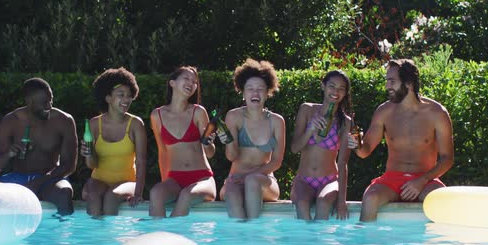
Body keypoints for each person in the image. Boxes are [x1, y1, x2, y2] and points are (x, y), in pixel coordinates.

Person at [352, 59, 454, 221]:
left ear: (409, 83)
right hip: (392, 179)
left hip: (425, 179)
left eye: (392, 81)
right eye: (387, 81)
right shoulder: (383, 111)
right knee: (370, 198)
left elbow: (447, 159)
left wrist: (422, 180)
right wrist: (355, 142)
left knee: (441, 203)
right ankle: (367, 243)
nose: (387, 87)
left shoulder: (437, 113)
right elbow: (364, 151)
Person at [0, 77, 77, 215]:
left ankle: (63, 235)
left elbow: (69, 166)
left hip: (51, 179)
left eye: (51, 100)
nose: (49, 106)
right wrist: (10, 153)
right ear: (29, 102)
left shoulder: (64, 121)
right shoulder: (11, 121)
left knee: (64, 193)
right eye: (44, 103)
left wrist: (37, 182)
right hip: (18, 177)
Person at [219, 58, 285, 219]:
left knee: (253, 181)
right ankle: (241, 239)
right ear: (243, 92)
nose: (255, 93)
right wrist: (228, 142)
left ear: (268, 92)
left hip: (264, 180)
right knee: (233, 195)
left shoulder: (276, 121)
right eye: (250, 89)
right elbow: (232, 157)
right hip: (235, 179)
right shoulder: (233, 117)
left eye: (260, 89)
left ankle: (255, 235)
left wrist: (249, 176)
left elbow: (276, 162)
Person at [149, 66, 217, 217]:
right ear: (172, 83)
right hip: (175, 179)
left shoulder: (198, 112)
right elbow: (162, 152)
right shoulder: (157, 115)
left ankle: (171, 237)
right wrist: (165, 184)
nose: (191, 83)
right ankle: (158, 237)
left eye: (194, 81)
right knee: (155, 193)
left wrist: (208, 143)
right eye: (186, 78)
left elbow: (210, 153)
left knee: (186, 196)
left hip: (202, 178)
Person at [80, 68, 147, 217]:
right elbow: (92, 165)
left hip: (126, 182)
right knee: (93, 198)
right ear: (108, 98)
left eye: (129, 96)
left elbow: (142, 161)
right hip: (99, 180)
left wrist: (138, 193)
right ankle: (96, 238)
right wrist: (88, 154)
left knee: (111, 198)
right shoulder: (94, 124)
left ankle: (112, 239)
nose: (126, 99)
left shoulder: (136, 124)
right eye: (121, 95)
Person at [290, 70, 351, 220]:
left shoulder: (345, 122)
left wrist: (342, 202)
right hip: (304, 179)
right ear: (323, 86)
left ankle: (320, 243)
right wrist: (310, 130)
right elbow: (294, 148)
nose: (335, 91)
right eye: (332, 86)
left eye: (341, 88)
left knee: (323, 203)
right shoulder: (307, 110)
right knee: (302, 204)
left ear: (345, 93)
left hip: (329, 180)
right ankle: (307, 242)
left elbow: (343, 162)